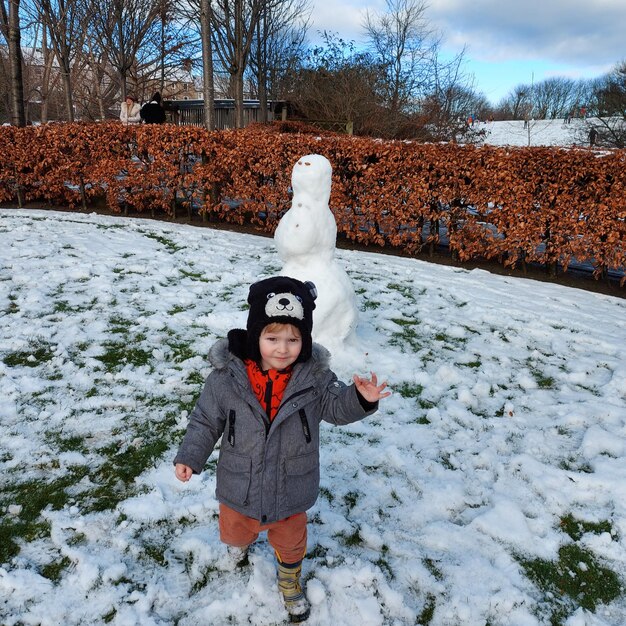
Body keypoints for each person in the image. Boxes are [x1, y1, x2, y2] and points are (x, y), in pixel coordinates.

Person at [174, 276, 390, 622]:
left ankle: (289, 579)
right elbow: (205, 421)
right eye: (271, 337)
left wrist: (359, 399)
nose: (282, 348)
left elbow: (335, 407)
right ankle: (240, 547)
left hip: (292, 485)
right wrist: (190, 456)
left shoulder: (314, 379)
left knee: (291, 541)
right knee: (235, 529)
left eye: (293, 339)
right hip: (239, 483)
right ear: (254, 335)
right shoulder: (225, 380)